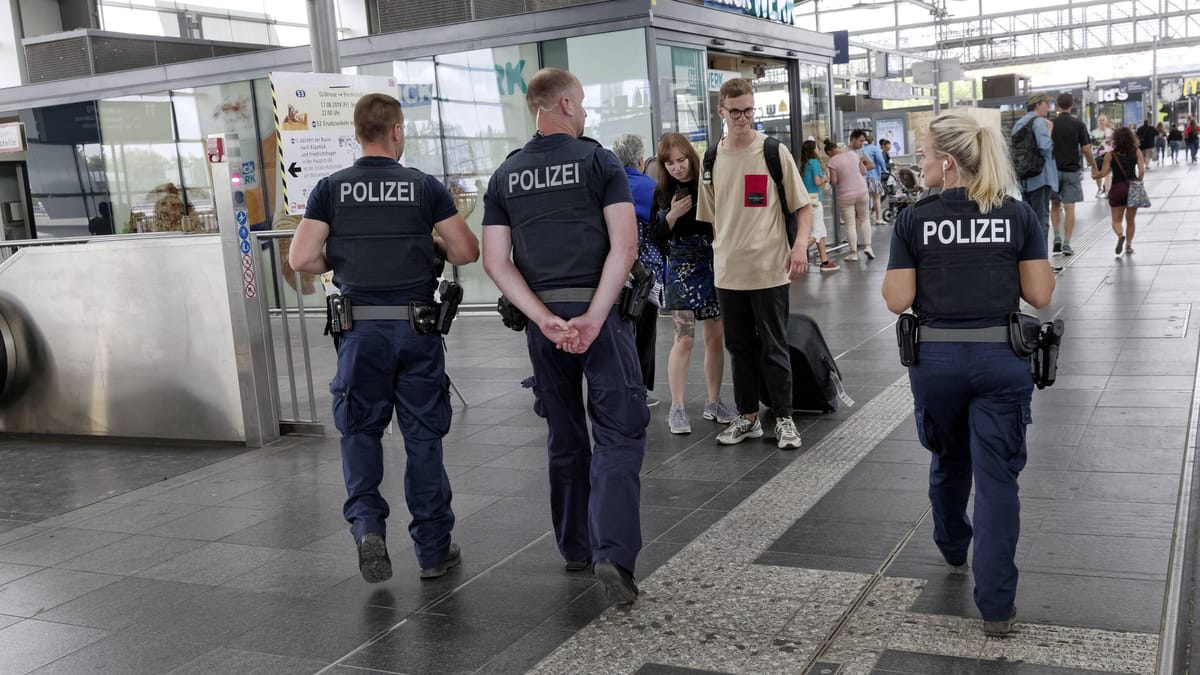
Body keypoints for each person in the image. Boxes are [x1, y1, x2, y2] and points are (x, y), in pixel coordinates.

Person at [289, 93, 479, 584]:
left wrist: (343, 260)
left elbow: (302, 259)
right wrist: (429, 242)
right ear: (396, 132)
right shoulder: (423, 187)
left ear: (356, 135)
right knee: (423, 439)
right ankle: (434, 551)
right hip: (416, 330)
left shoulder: (330, 189)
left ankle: (369, 530)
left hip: (359, 331)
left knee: (359, 431)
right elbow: (465, 249)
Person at [881, 111, 1055, 637]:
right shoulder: (1018, 216)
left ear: (948, 162)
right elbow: (1040, 295)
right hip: (1001, 363)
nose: (921, 163)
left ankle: (953, 543)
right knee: (998, 479)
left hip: (937, 365)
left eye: (926, 155)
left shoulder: (915, 219)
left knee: (950, 456)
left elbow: (898, 301)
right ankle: (997, 607)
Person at [481, 67, 646, 604]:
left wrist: (541, 318)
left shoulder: (507, 174)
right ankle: (613, 554)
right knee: (619, 432)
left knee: (564, 435)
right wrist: (595, 317)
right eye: (583, 103)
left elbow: (495, 261)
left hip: (544, 325)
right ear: (568, 105)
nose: (586, 112)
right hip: (599, 316)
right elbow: (624, 247)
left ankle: (575, 547)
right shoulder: (600, 162)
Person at [696, 77, 812, 449]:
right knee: (739, 347)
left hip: (769, 268)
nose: (743, 117)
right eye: (735, 111)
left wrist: (799, 247)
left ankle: (784, 418)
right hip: (729, 271)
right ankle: (748, 418)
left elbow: (803, 205)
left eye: (748, 110)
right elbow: (713, 215)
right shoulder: (711, 158)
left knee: (773, 346)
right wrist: (722, 246)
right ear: (721, 112)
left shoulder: (773, 152)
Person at [651, 131, 737, 435]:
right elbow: (656, 238)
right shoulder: (661, 192)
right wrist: (672, 215)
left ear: (691, 157)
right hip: (680, 270)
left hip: (712, 264)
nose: (677, 167)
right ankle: (677, 406)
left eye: (681, 159)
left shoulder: (707, 185)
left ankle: (713, 401)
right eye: (670, 162)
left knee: (716, 338)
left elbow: (724, 222)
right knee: (684, 339)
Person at [613, 133, 664, 408]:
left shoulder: (609, 186)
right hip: (645, 275)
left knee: (619, 330)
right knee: (645, 332)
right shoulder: (650, 187)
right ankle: (640, 389)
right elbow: (661, 228)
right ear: (641, 160)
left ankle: (620, 386)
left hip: (615, 272)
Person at [1048, 93, 1096, 257]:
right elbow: (1086, 149)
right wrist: (1094, 166)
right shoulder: (1078, 124)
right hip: (1071, 172)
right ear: (1072, 104)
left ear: (1057, 105)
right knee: (1069, 208)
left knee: (1054, 206)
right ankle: (1067, 243)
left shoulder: (1050, 124)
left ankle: (1056, 237)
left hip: (1054, 171)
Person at [1092, 126, 1145, 256]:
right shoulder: (1136, 151)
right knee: (1131, 220)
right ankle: (1128, 246)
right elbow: (1142, 170)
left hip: (1117, 188)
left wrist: (1095, 176)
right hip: (1133, 186)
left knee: (1116, 220)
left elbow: (1104, 173)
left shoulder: (1110, 154)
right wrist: (1138, 181)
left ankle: (1121, 235)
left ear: (1115, 139)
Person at [1011, 92, 1056, 246]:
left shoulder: (1019, 123)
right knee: (1041, 220)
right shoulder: (1039, 122)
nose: (1048, 107)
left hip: (1024, 177)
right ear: (1038, 105)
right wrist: (1049, 131)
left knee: (1027, 221)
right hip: (1040, 177)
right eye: (1046, 103)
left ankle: (1027, 260)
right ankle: (1042, 261)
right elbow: (1045, 147)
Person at [827, 138, 872, 262]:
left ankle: (853, 253)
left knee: (850, 225)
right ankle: (868, 246)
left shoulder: (832, 162)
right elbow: (863, 171)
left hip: (846, 196)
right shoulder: (853, 154)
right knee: (865, 219)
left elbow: (834, 181)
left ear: (830, 152)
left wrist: (830, 179)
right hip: (862, 191)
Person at [799, 139, 838, 272]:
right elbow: (817, 181)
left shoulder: (802, 165)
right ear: (813, 150)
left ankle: (825, 261)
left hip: (805, 200)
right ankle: (796, 252)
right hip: (815, 201)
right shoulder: (814, 163)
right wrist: (825, 179)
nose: (818, 150)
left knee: (820, 231)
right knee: (817, 232)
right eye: (816, 148)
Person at [860, 132, 890, 225]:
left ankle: (865, 219)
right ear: (872, 140)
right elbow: (880, 160)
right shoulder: (874, 148)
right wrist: (885, 169)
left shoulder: (861, 149)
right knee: (876, 198)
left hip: (862, 177)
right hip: (873, 176)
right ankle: (878, 218)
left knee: (866, 198)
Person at [1092, 113, 1114, 197]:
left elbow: (1114, 143)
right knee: (1098, 174)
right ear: (1098, 122)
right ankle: (1099, 189)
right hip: (1097, 155)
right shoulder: (1094, 132)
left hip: (1108, 155)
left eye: (1103, 120)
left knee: (1108, 173)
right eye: (1100, 120)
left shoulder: (1111, 132)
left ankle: (1108, 192)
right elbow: (1091, 144)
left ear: (1106, 121)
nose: (1101, 122)